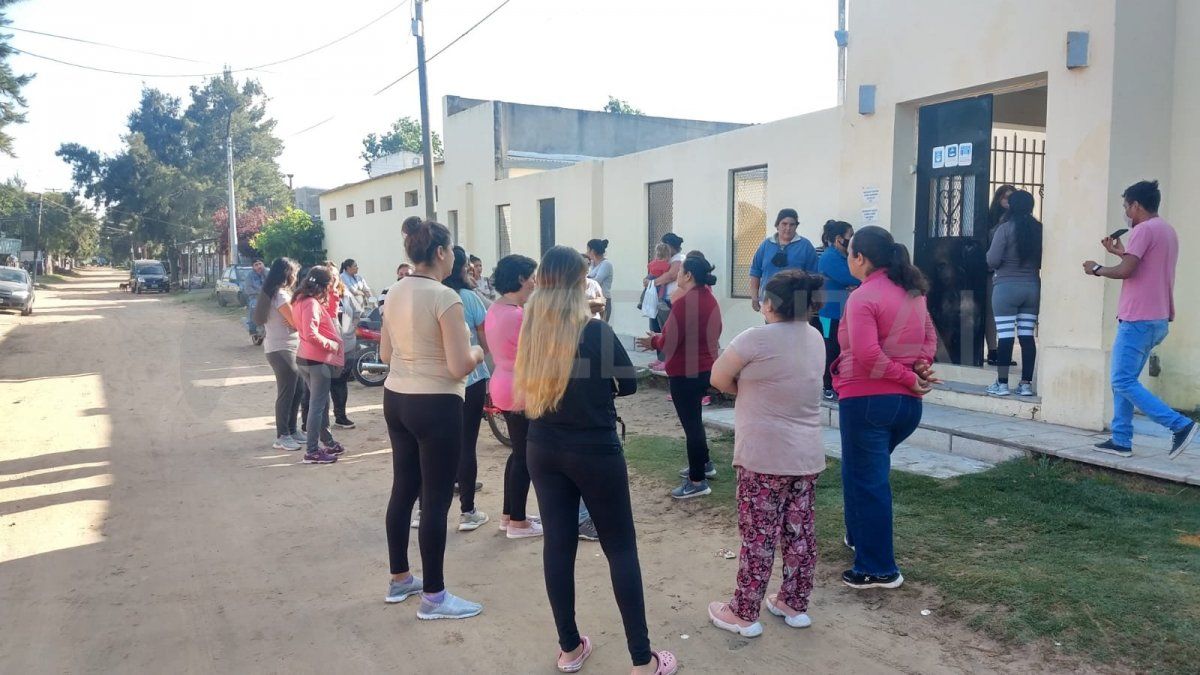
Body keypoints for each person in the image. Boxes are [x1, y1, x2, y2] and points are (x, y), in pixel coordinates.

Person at [515, 245, 676, 675]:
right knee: (620, 547)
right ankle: (642, 661)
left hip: (543, 446)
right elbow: (628, 385)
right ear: (576, 283)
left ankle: (569, 648)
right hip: (593, 448)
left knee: (558, 545)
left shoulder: (532, 330)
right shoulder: (594, 330)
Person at [706, 269, 827, 638]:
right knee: (799, 532)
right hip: (805, 456)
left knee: (759, 534)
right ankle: (794, 603)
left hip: (763, 456)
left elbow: (717, 378)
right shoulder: (816, 337)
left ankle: (744, 613)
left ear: (769, 303)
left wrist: (746, 388)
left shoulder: (754, 338)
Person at [380, 218, 486, 619]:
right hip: (436, 404)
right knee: (437, 500)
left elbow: (387, 355)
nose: (456, 255)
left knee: (404, 487)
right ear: (442, 252)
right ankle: (435, 597)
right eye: (453, 248)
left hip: (397, 397)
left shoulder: (395, 291)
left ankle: (400, 578)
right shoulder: (446, 298)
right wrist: (477, 351)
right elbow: (460, 365)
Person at [834, 226, 938, 590]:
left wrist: (909, 376)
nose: (848, 258)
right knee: (861, 473)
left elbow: (867, 355)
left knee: (869, 481)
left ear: (860, 258)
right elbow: (929, 338)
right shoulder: (912, 294)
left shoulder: (863, 297)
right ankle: (859, 536)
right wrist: (918, 367)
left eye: (849, 253)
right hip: (904, 406)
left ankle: (878, 568)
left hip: (869, 401)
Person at [1084, 180, 1196, 459]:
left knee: (1122, 380)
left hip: (1138, 318)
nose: (1125, 212)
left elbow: (1127, 272)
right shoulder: (1166, 230)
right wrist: (1120, 253)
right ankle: (1121, 439)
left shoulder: (1143, 230)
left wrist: (1097, 268)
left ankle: (1180, 425)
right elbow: (1142, 265)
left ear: (1136, 205)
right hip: (1157, 317)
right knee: (1124, 379)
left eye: (1125, 206)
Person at [637, 252, 723, 499]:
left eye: (681, 271)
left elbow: (671, 338)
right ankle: (704, 464)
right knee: (695, 420)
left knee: (692, 425)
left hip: (686, 371)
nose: (677, 274)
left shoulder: (686, 302)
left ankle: (697, 481)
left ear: (688, 275)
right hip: (704, 367)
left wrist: (653, 341)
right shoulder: (708, 298)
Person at [484, 253, 544, 539]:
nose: (535, 282)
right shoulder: (518, 316)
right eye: (532, 276)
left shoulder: (497, 309)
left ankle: (510, 515)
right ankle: (518, 522)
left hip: (504, 383)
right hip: (519, 388)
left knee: (518, 453)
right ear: (521, 278)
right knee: (525, 457)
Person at [443, 245, 491, 532]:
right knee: (466, 445)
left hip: (436, 382)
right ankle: (468, 510)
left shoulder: (428, 296)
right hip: (470, 378)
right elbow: (485, 344)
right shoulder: (469, 298)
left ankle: (424, 510)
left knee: (435, 446)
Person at [985, 190, 1042, 397]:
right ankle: (1026, 384)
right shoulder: (1040, 229)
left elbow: (992, 260)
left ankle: (1001, 384)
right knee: (1027, 336)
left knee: (1006, 336)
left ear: (1012, 206)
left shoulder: (1005, 229)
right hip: (1032, 287)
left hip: (1006, 288)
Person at [292, 266, 346, 465]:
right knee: (317, 406)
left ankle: (328, 442)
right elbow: (310, 334)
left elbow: (329, 313)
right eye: (329, 285)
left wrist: (334, 294)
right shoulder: (310, 303)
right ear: (322, 285)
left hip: (308, 358)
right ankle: (312, 451)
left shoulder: (302, 299)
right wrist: (331, 345)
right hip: (316, 360)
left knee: (321, 405)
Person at [262, 258, 307, 452]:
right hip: (281, 349)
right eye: (294, 273)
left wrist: (297, 321)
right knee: (287, 392)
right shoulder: (280, 294)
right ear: (287, 274)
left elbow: (296, 322)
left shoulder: (281, 293)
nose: (296, 277)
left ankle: (292, 429)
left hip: (289, 346)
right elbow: (297, 322)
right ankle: (282, 435)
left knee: (298, 390)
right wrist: (298, 321)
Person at [748, 208, 819, 312]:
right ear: (777, 225)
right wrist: (754, 297)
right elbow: (755, 272)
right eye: (784, 224)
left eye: (792, 224)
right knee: (772, 328)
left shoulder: (805, 246)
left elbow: (814, 275)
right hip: (770, 301)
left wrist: (814, 299)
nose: (788, 228)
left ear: (796, 226)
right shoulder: (766, 245)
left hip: (797, 302)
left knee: (796, 328)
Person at [817, 220, 857, 400]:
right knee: (831, 348)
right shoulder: (830, 257)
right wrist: (855, 283)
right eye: (851, 235)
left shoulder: (844, 256)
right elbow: (850, 277)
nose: (853, 239)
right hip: (830, 313)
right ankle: (828, 386)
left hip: (843, 313)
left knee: (842, 350)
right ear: (839, 238)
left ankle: (839, 383)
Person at [986, 185, 1017, 366]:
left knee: (1008, 316)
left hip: (1009, 273)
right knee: (991, 313)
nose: (1007, 202)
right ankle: (992, 349)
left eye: (1011, 198)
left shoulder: (1019, 220)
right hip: (992, 271)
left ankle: (1004, 352)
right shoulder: (991, 220)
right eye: (1005, 198)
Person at [643, 243, 673, 371]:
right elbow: (669, 277)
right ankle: (663, 360)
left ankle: (661, 359)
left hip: (651, 301)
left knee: (656, 329)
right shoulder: (668, 266)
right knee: (663, 330)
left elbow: (646, 280)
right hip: (662, 300)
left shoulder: (651, 264)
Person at [586, 238, 614, 322]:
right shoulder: (592, 264)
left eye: (588, 250)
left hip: (602, 300)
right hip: (592, 300)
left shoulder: (606, 264)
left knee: (601, 327)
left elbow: (597, 281)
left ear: (593, 251)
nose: (587, 253)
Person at [243, 258, 266, 340]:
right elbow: (248, 289)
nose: (259, 266)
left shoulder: (268, 273)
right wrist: (259, 293)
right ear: (253, 267)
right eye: (256, 265)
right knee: (254, 306)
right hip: (255, 297)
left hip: (269, 297)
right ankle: (253, 329)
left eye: (260, 264)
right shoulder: (249, 276)